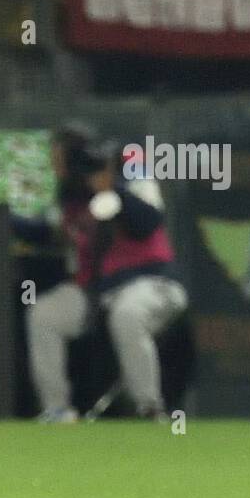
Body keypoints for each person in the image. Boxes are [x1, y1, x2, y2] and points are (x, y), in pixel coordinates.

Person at [17, 125, 188, 421]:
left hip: (151, 282)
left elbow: (148, 221)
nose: (55, 167)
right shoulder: (70, 198)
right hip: (97, 291)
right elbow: (49, 234)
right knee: (42, 315)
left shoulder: (130, 167)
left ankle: (149, 408)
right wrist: (5, 218)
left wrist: (110, 188)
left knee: (127, 314)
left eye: (59, 160)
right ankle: (57, 410)